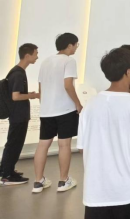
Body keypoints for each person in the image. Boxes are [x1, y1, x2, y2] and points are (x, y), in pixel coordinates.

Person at [77, 48, 130, 219]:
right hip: (129, 191)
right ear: (128, 72)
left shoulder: (90, 105)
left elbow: (82, 148)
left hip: (96, 193)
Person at [33, 33, 82, 194]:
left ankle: (38, 182)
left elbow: (41, 88)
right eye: (76, 44)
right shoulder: (69, 61)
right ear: (69, 45)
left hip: (47, 110)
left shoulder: (45, 61)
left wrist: (45, 105)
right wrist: (78, 103)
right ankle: (63, 180)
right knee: (64, 145)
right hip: (65, 110)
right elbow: (68, 85)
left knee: (43, 145)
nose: (76, 47)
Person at [0, 44, 40, 185]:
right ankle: (7, 175)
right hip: (18, 115)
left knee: (13, 143)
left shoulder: (16, 72)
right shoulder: (18, 74)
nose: (37, 57)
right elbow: (15, 96)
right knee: (14, 144)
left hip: (17, 114)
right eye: (35, 54)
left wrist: (29, 94)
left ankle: (7, 170)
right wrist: (33, 95)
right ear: (27, 55)